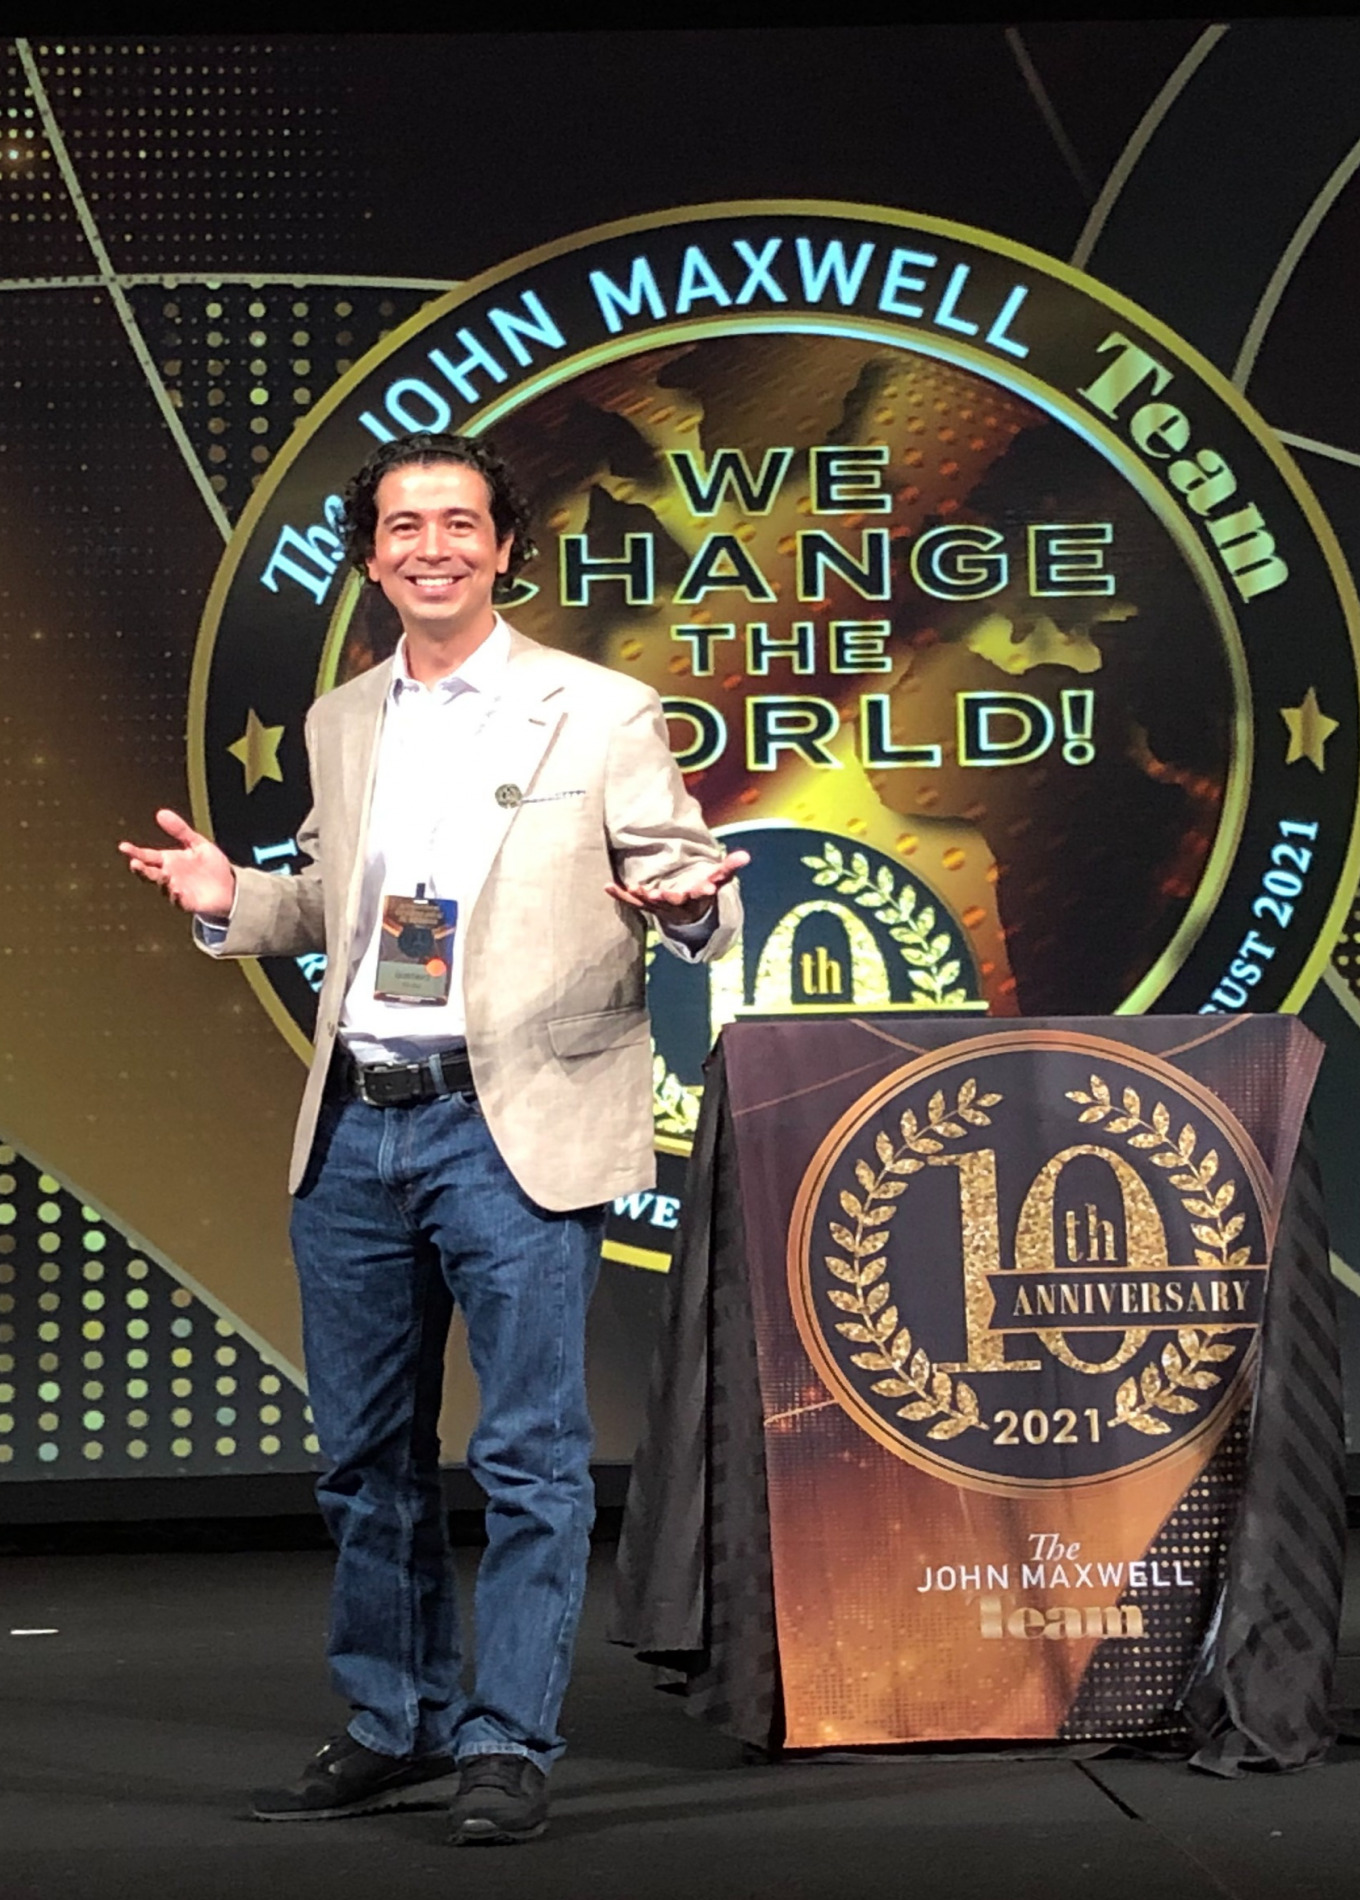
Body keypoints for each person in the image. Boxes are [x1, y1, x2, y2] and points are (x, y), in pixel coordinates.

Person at [119, 431, 745, 1844]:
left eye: (459, 522)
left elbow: (681, 878)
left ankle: (507, 1740)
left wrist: (692, 907)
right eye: (403, 526)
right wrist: (234, 897)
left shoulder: (601, 711)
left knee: (528, 1458)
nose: (432, 547)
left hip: (511, 1123)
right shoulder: (344, 720)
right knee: (365, 1461)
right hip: (355, 1125)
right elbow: (333, 905)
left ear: (506, 547)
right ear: (371, 556)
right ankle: (394, 1724)